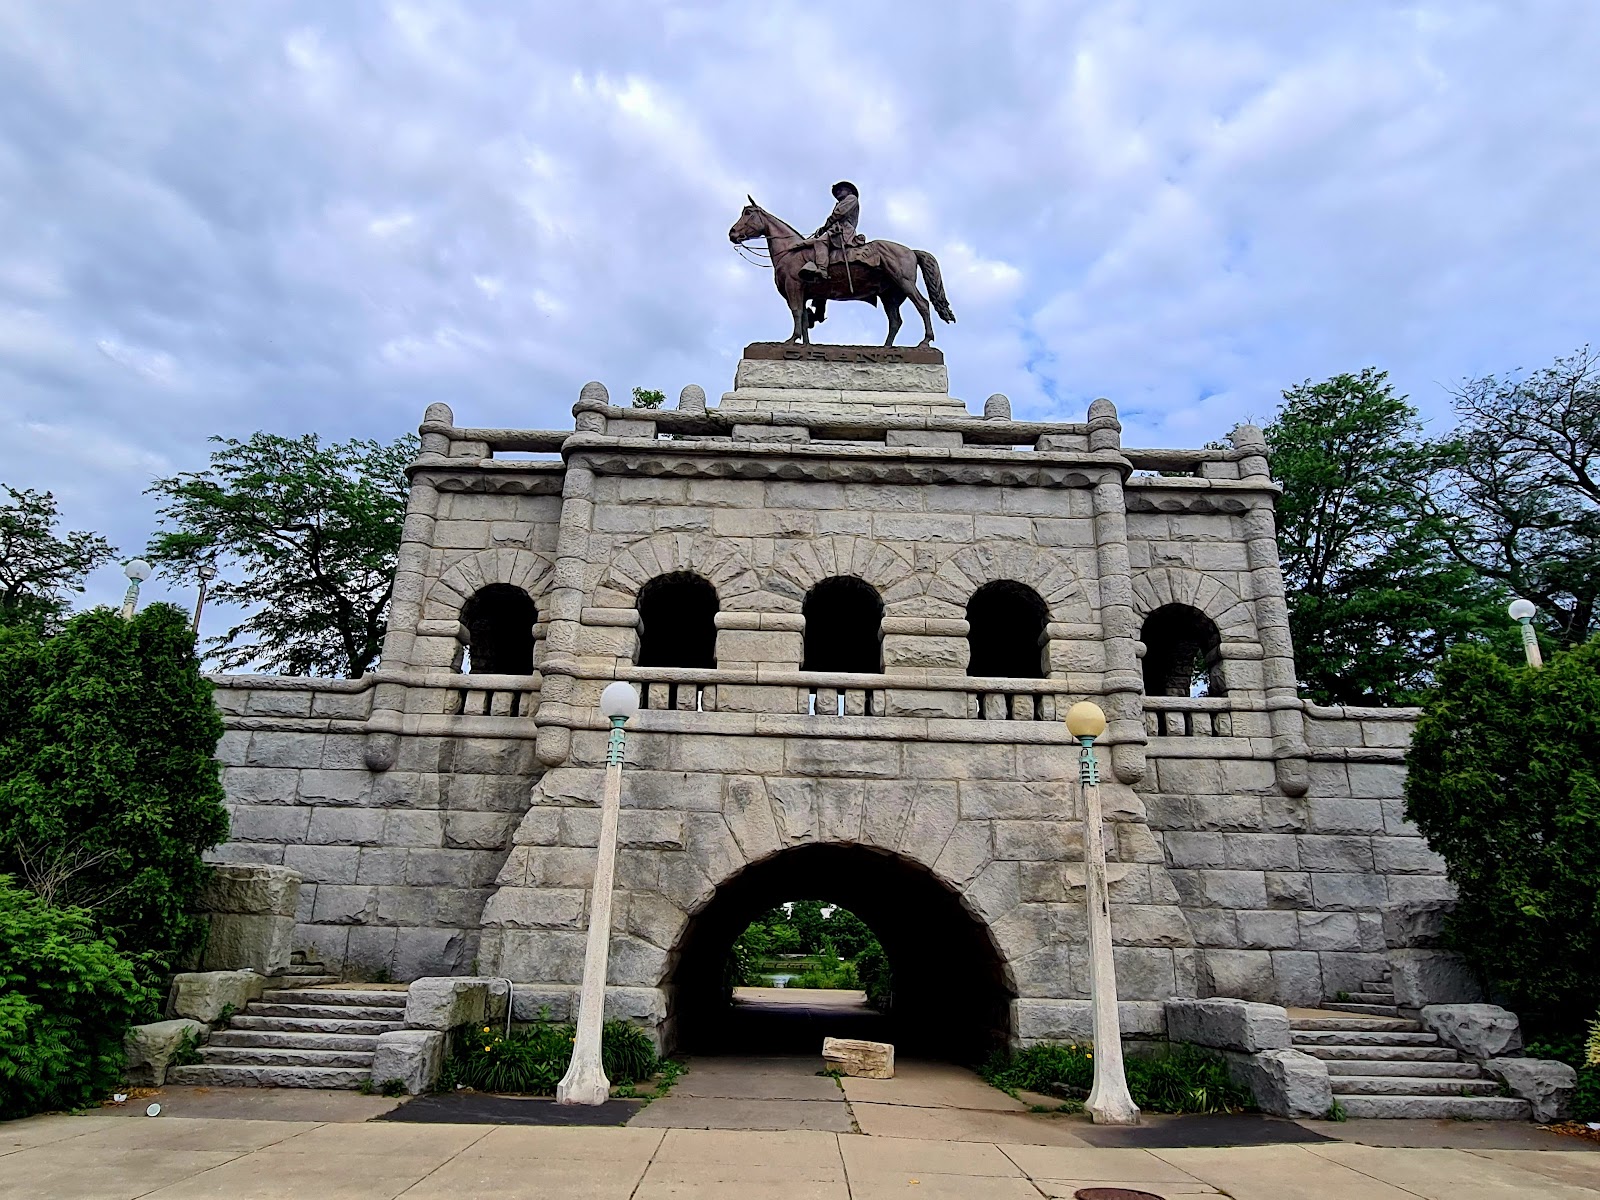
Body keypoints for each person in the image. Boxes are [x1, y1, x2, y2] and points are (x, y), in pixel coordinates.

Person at [800, 181, 865, 281]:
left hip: (843, 230)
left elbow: (839, 214)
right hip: (835, 230)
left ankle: (822, 269)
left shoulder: (851, 198)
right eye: (836, 191)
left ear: (849, 191)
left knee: (820, 241)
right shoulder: (842, 202)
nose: (838, 192)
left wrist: (825, 227)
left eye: (840, 189)